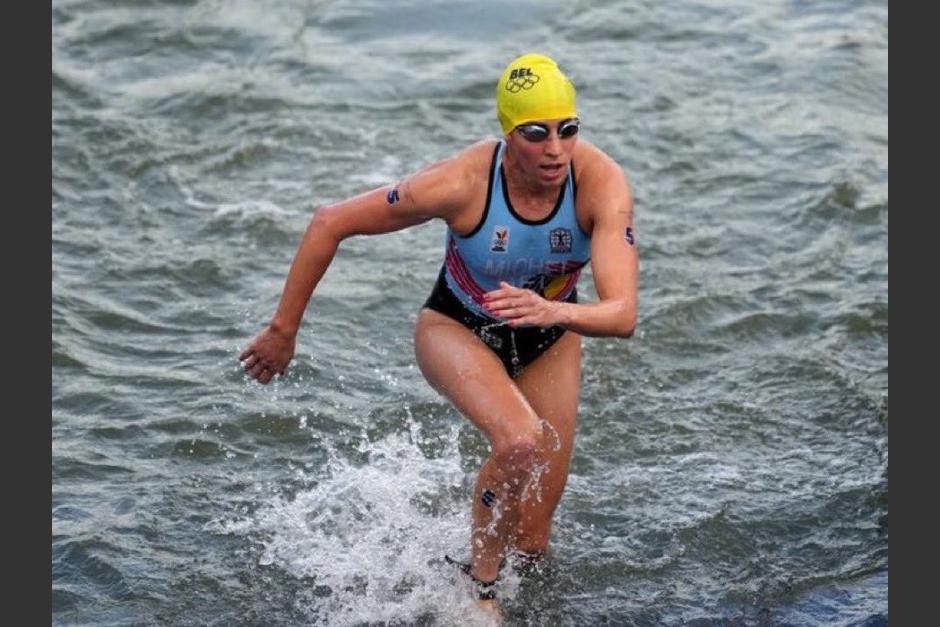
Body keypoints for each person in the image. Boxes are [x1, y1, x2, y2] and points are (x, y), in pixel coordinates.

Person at [239, 53, 638, 607]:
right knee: (521, 442)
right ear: (506, 132)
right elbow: (330, 222)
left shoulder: (601, 185)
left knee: (534, 539)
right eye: (535, 133)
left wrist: (556, 313)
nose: (555, 150)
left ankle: (506, 586)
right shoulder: (459, 183)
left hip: (550, 337)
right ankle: (479, 594)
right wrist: (283, 330)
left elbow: (622, 315)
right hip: (457, 326)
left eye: (568, 130)